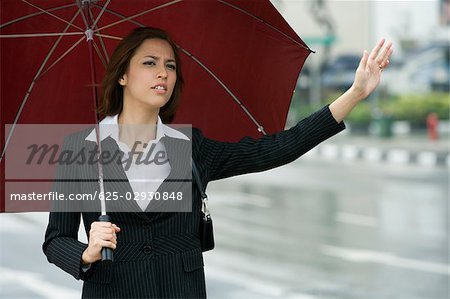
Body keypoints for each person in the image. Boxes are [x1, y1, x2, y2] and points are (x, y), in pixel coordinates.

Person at [43, 27, 393, 298]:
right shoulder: (82, 151)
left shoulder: (190, 147)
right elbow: (55, 240)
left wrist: (355, 94)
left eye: (169, 66)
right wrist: (86, 252)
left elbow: (277, 148)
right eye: (149, 63)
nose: (162, 73)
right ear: (122, 75)